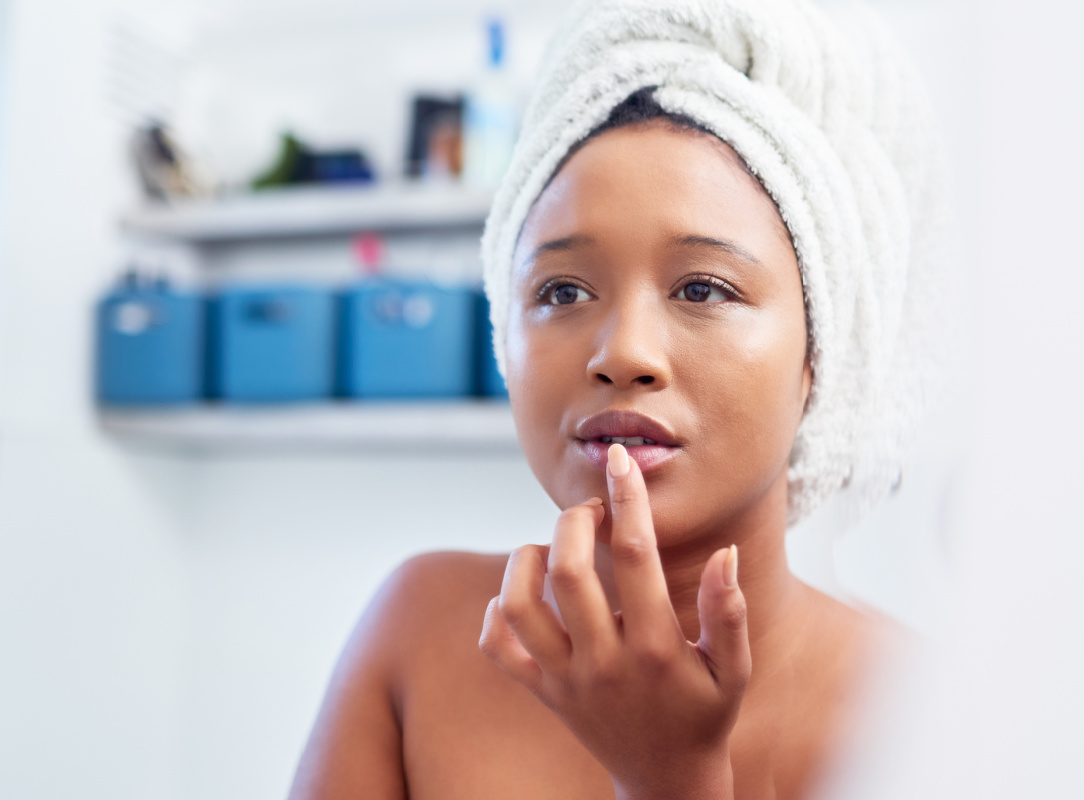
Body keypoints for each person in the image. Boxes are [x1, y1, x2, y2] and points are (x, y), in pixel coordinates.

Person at [288, 1, 945, 798]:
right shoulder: (418, 637)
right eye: (563, 290)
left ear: (818, 354)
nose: (622, 353)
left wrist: (673, 780)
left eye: (702, 287)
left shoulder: (917, 717)